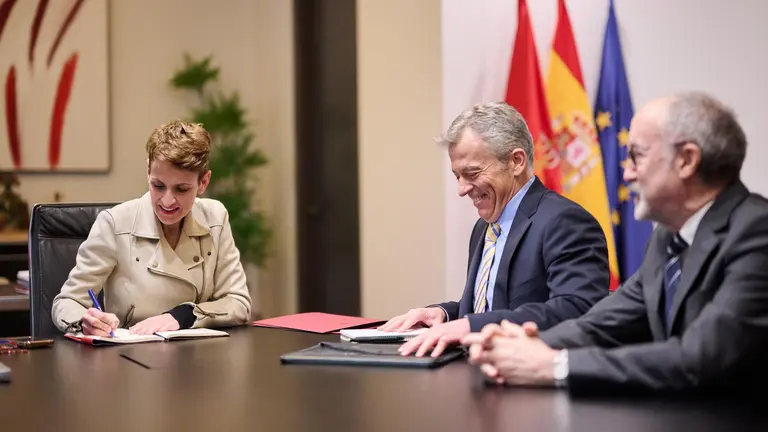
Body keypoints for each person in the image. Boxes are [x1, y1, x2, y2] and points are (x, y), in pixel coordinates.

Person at [463, 91, 768, 394]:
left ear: (687, 160)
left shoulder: (757, 232)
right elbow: (602, 322)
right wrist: (519, 346)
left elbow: (699, 358)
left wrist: (555, 365)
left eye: (636, 155)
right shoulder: (667, 238)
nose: (626, 173)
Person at [379, 102, 610, 357]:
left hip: (533, 385)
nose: (462, 189)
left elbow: (574, 310)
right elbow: (492, 308)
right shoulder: (484, 226)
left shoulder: (565, 222)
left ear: (516, 162)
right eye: (458, 176)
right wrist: (444, 315)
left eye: (472, 173)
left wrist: (468, 326)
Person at [51, 120, 252, 336]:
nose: (167, 201)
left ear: (203, 182)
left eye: (181, 189)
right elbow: (67, 302)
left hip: (200, 355)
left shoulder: (215, 217)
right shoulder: (114, 223)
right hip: (129, 357)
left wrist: (185, 315)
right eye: (158, 185)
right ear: (148, 171)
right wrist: (84, 321)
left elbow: (238, 302)